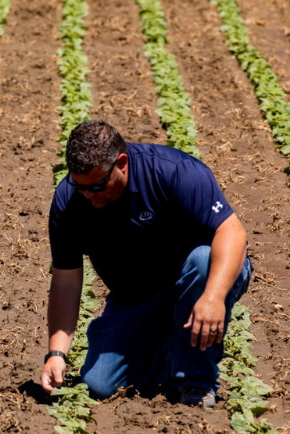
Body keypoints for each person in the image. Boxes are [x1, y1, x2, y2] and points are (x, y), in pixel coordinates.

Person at [40, 120, 251, 409]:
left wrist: (213, 297)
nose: (89, 195)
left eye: (98, 185)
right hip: (136, 295)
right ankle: (170, 342)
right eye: (80, 187)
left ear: (122, 163)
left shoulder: (174, 172)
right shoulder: (69, 202)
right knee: (99, 384)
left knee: (202, 261)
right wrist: (56, 354)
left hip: (197, 280)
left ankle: (195, 380)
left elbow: (233, 233)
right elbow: (65, 282)